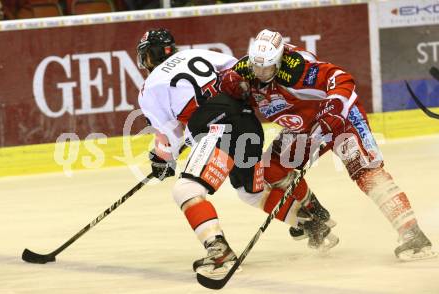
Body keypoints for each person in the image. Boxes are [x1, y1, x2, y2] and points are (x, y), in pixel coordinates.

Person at [136, 28, 340, 277]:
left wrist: (162, 161)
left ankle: (219, 252)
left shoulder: (149, 88)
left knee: (186, 189)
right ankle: (311, 223)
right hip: (246, 123)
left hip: (217, 128)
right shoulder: (198, 54)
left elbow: (171, 137)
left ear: (147, 58)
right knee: (250, 192)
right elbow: (242, 73)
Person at [225, 29, 435, 261]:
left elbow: (342, 77)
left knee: (367, 173)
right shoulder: (244, 71)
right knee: (271, 168)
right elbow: (223, 88)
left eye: (267, 68)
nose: (260, 73)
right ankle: (317, 221)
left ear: (279, 61)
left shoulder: (297, 70)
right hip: (306, 129)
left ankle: (413, 235)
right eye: (256, 67)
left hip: (340, 120)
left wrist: (333, 106)